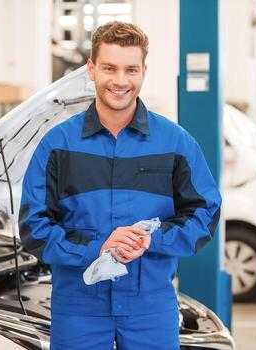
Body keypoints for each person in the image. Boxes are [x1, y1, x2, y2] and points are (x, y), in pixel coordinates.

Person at [19, 21, 222, 350]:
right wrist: (97, 247)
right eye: (110, 68)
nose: (120, 81)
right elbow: (33, 226)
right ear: (91, 69)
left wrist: (150, 239)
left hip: (150, 308)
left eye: (131, 69)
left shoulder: (175, 143)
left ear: (143, 71)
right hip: (78, 308)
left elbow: (205, 215)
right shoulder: (57, 145)